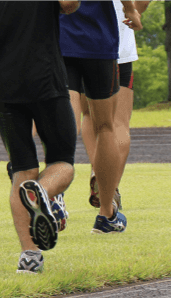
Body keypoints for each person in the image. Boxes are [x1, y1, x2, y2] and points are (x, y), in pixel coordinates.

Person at [0, 0, 81, 274]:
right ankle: (41, 193)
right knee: (62, 162)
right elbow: (69, 4)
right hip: (45, 77)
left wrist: (1, 21)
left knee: (23, 169)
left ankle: (29, 257)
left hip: (0, 81)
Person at [60, 0, 143, 234]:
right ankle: (106, 213)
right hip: (99, 39)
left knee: (65, 118)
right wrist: (130, 9)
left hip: (59, 37)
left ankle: (55, 193)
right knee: (107, 126)